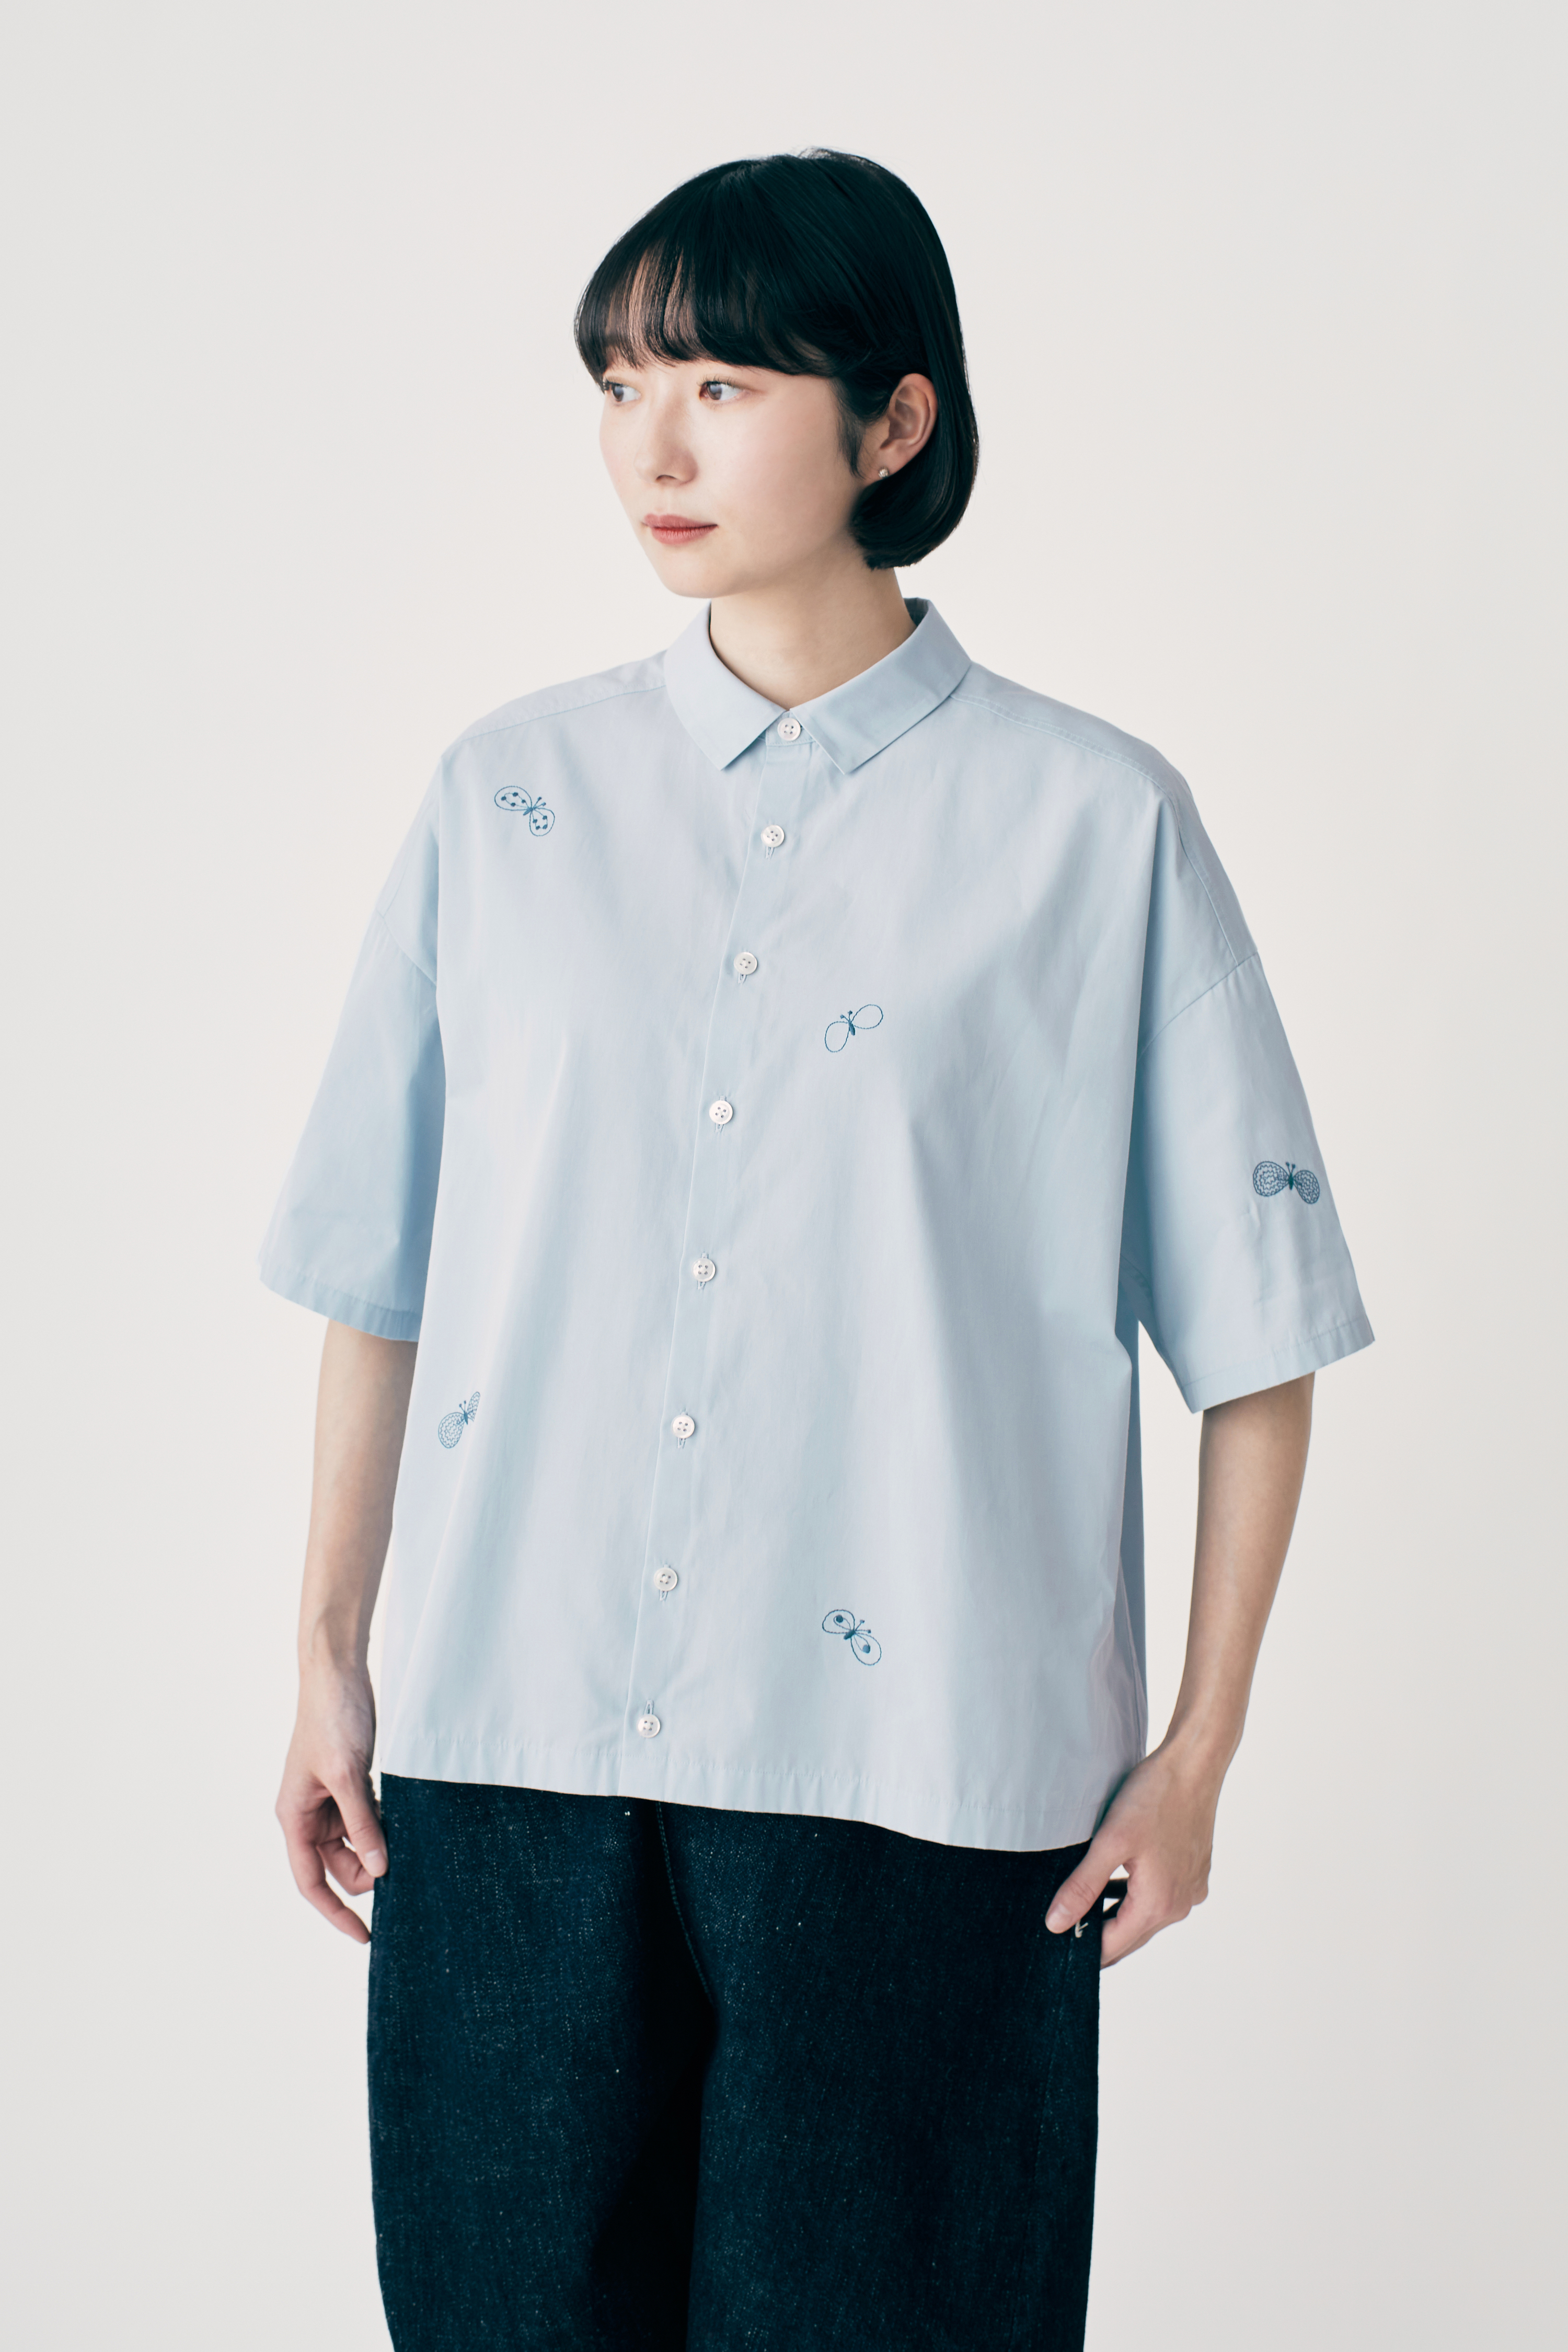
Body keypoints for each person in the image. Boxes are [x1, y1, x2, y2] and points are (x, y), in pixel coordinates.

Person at [266, 150, 1371, 2351]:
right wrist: (325, 1653)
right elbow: (383, 1276)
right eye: (619, 384)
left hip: (924, 1793)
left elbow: (1259, 1341)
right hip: (513, 1761)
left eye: (721, 383)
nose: (651, 448)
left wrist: (1198, 1754)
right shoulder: (507, 802)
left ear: (894, 420)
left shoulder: (1094, 825)